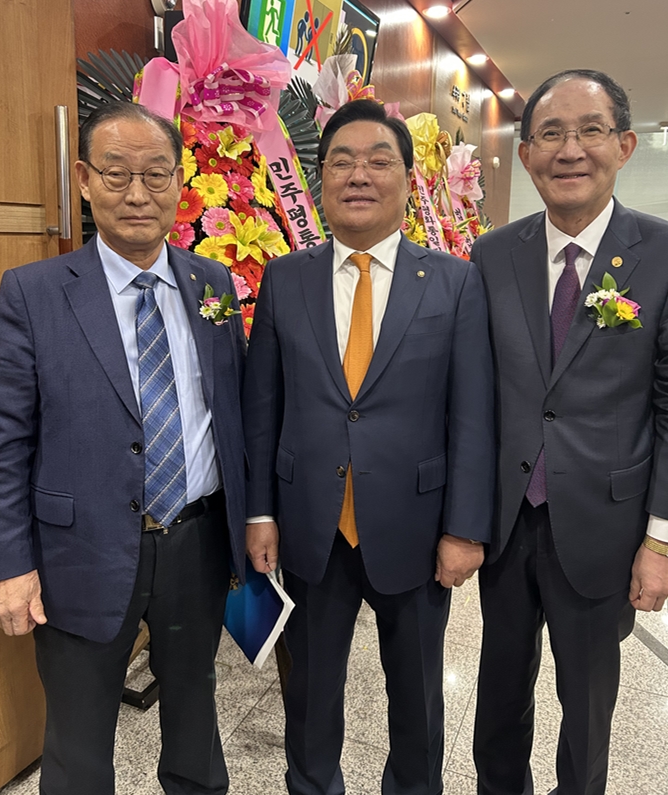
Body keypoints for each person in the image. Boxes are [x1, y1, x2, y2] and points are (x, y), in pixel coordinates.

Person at [0, 102, 247, 795]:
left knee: (195, 719)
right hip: (80, 552)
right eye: (116, 173)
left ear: (180, 181)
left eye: (156, 174)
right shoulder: (34, 292)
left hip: (196, 542)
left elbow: (234, 411)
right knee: (77, 744)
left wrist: (254, 521)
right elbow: (2, 443)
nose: (138, 193)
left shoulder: (212, 284)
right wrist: (7, 564)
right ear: (83, 178)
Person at [243, 98, 495, 795]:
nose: (359, 175)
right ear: (321, 178)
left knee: (416, 697)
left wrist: (465, 529)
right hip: (310, 527)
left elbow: (473, 416)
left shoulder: (453, 281)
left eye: (379, 161)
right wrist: (260, 513)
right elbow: (263, 409)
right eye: (342, 162)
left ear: (407, 179)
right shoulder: (285, 278)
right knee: (309, 694)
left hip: (416, 528)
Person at [471, 69, 668, 795]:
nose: (570, 149)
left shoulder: (662, 253)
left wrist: (659, 542)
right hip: (505, 521)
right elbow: (475, 397)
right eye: (550, 133)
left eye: (590, 131)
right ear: (525, 153)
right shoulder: (492, 254)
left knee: (586, 705)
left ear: (624, 145)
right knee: (498, 694)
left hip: (604, 524)